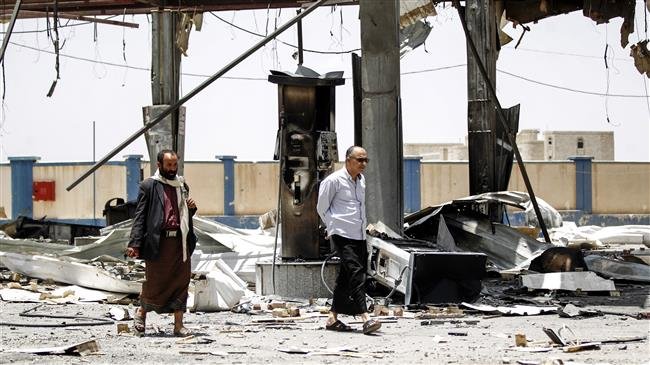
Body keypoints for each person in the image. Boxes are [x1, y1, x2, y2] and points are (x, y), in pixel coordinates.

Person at [126, 149, 198, 337]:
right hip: (159, 243)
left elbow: (183, 215)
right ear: (159, 165)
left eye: (175, 164)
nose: (172, 168)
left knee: (181, 281)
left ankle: (178, 325)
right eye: (169, 165)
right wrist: (134, 243)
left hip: (180, 243)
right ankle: (141, 314)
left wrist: (192, 209)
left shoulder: (182, 185)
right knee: (154, 282)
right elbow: (140, 216)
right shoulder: (149, 186)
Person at [316, 146, 381, 335]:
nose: (363, 164)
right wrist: (332, 226)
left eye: (365, 160)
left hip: (358, 234)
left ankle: (332, 318)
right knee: (356, 273)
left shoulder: (361, 181)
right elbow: (322, 207)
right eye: (359, 160)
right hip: (341, 232)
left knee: (345, 277)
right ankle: (365, 317)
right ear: (348, 160)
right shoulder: (333, 181)